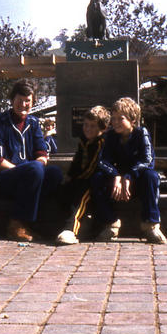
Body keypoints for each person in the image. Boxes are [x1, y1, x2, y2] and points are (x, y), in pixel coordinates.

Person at [0, 79, 64, 242]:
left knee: (55, 173)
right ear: (12, 100)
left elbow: (42, 153)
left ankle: (37, 222)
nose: (23, 104)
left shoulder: (33, 123)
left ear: (33, 102)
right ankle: (16, 224)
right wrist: (27, 171)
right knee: (34, 169)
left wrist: (37, 166)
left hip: (30, 176)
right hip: (4, 179)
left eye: (27, 100)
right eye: (19, 100)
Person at [92, 97, 166, 244]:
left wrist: (129, 175)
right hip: (117, 184)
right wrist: (116, 176)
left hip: (137, 181)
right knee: (97, 178)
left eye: (121, 118)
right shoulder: (110, 136)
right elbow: (102, 161)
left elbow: (148, 160)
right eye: (113, 118)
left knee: (151, 176)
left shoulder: (141, 133)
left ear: (133, 120)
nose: (116, 122)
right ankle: (111, 223)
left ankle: (150, 225)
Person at [56, 105, 110, 245]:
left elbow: (94, 165)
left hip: (94, 182)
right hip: (81, 179)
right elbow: (77, 161)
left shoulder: (102, 143)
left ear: (102, 128)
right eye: (86, 125)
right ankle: (81, 225)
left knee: (80, 198)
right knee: (63, 192)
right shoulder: (83, 141)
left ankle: (71, 230)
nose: (87, 129)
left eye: (92, 126)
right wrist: (70, 176)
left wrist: (78, 178)